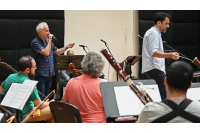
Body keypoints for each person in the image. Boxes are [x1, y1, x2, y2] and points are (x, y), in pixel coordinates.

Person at [0, 56, 53, 123]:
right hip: (22, 115)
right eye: (34, 67)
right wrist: (52, 103)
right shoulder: (29, 83)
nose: (36, 68)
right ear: (27, 70)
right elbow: (39, 105)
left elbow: (1, 92)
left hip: (9, 113)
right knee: (54, 111)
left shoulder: (10, 77)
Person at [31, 22, 75, 100]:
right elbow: (46, 52)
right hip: (41, 74)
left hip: (50, 74)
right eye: (47, 31)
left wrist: (66, 47)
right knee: (41, 97)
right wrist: (50, 40)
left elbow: (57, 51)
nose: (49, 33)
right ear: (41, 32)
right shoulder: (35, 42)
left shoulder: (48, 41)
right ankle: (39, 112)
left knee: (47, 97)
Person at [142, 12, 180, 100]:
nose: (168, 26)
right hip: (154, 68)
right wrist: (170, 55)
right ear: (159, 22)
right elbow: (154, 52)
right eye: (166, 23)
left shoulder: (155, 33)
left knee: (161, 95)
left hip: (155, 68)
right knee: (164, 96)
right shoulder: (153, 33)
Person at [62, 52, 106, 123]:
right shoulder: (103, 86)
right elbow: (111, 111)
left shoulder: (71, 82)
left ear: (83, 64)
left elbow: (64, 104)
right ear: (101, 67)